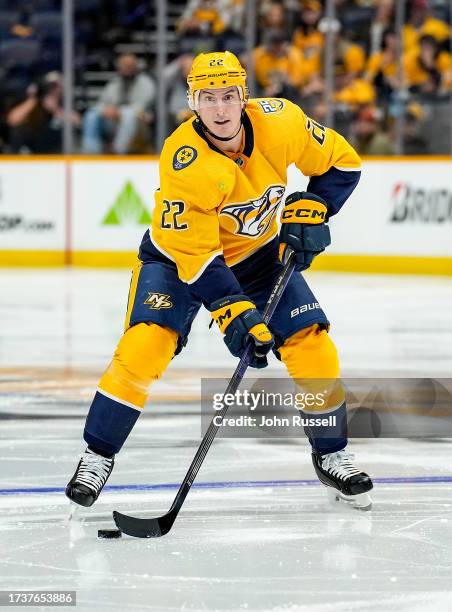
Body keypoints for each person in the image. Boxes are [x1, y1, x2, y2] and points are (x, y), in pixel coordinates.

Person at [66, 51, 373, 510]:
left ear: (244, 96)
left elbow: (343, 164)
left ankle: (332, 454)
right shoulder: (184, 158)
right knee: (144, 346)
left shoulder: (282, 122)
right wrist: (237, 314)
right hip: (177, 261)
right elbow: (197, 255)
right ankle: (97, 455)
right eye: (208, 98)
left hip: (256, 255)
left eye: (229, 95)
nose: (220, 108)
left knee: (313, 342)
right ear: (193, 102)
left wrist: (316, 205)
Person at [82, 53, 155, 154]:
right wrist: (105, 110)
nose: (127, 69)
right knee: (91, 115)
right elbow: (101, 103)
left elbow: (142, 106)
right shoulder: (114, 83)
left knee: (128, 114)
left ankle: (118, 152)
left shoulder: (146, 83)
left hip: (140, 125)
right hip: (114, 123)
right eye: (124, 66)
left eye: (130, 66)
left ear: (136, 66)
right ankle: (91, 153)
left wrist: (119, 112)